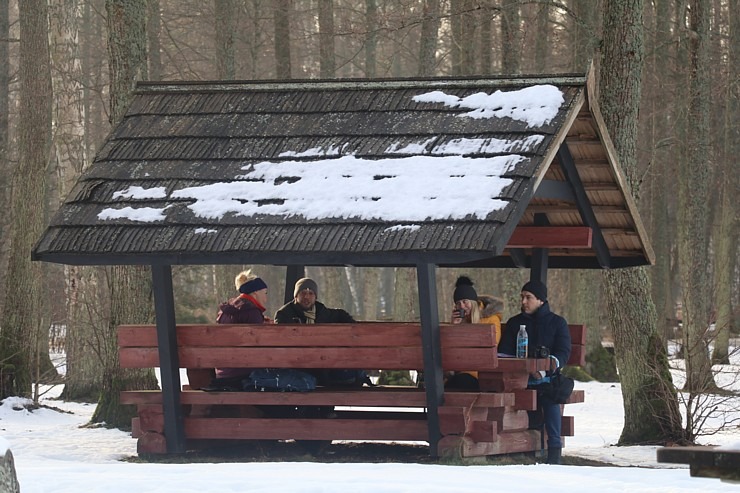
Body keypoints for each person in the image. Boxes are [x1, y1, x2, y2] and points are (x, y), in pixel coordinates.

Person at [498, 280, 571, 465]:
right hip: (518, 380)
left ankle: (554, 451)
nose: (523, 301)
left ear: (541, 300)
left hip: (546, 380)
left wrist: (544, 370)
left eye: (528, 297)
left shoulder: (557, 323)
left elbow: (563, 352)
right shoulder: (515, 323)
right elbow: (503, 352)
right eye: (522, 297)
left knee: (550, 397)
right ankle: (521, 447)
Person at [445, 276, 505, 390]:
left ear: (473, 302)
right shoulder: (459, 321)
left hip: (481, 373)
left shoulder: (491, 319)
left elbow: (490, 347)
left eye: (465, 302)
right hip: (459, 371)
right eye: (458, 303)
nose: (461, 306)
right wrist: (453, 328)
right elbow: (450, 351)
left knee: (458, 384)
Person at [213, 269, 271, 384]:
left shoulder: (226, 311)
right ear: (255, 293)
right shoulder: (252, 312)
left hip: (223, 371)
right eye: (265, 293)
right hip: (244, 373)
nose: (266, 298)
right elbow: (259, 347)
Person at [274, 277, 355, 324]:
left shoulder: (322, 313)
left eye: (310, 293)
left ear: (315, 297)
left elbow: (342, 316)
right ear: (296, 296)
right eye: (303, 293)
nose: (306, 297)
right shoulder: (285, 314)